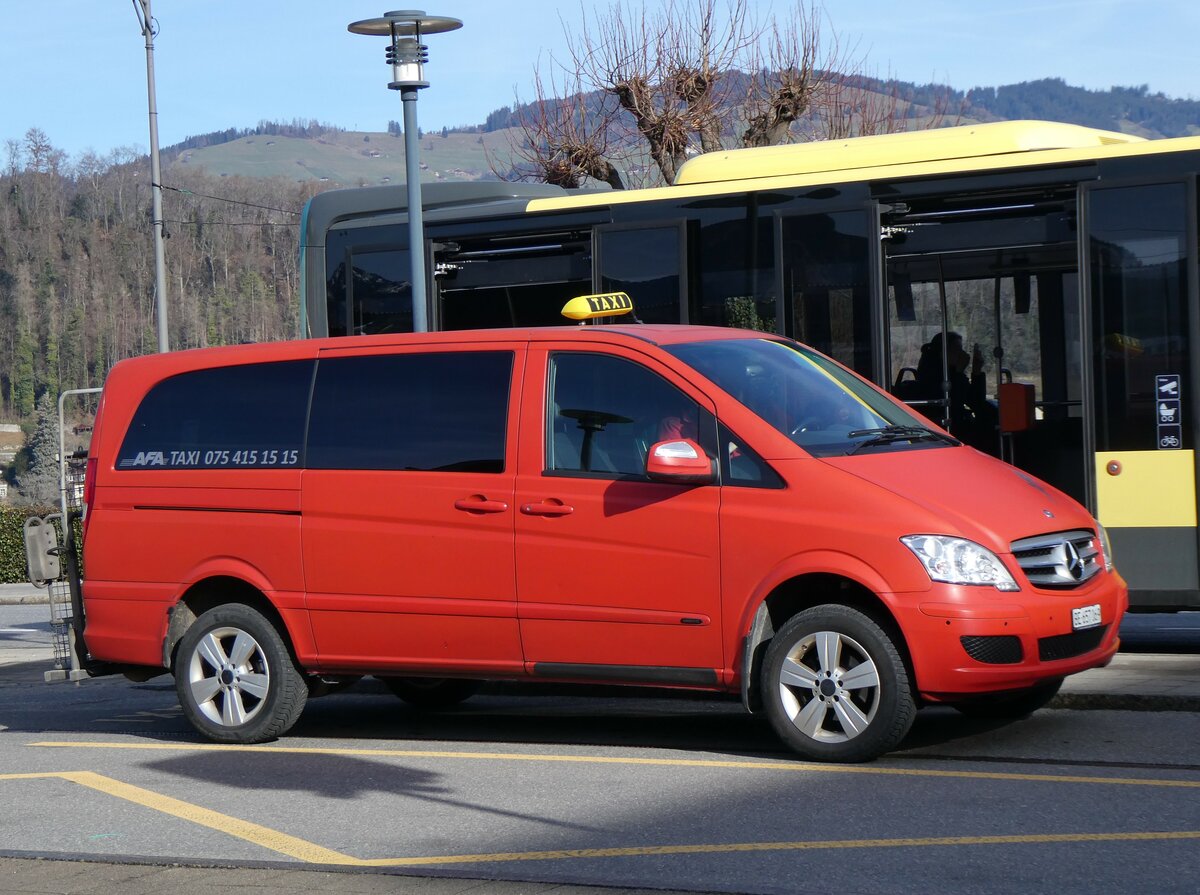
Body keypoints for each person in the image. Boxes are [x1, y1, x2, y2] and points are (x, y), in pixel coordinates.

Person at [914, 331, 997, 450]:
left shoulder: (952, 373)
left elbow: (975, 401)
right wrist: (958, 372)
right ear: (942, 352)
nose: (961, 354)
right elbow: (954, 403)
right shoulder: (930, 375)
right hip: (944, 429)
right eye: (956, 350)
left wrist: (976, 371)